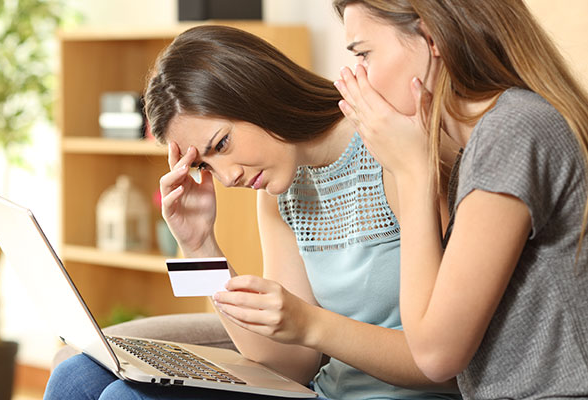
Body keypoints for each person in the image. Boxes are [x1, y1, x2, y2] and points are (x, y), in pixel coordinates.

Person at [44, 25, 461, 399]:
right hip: (321, 393)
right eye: (205, 165)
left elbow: (445, 362)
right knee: (75, 377)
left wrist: (310, 322)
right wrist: (199, 247)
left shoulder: (394, 152)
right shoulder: (281, 191)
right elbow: (289, 365)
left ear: (257, 92)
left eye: (221, 144)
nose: (226, 179)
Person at [332, 0, 588, 398]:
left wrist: (413, 172)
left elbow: (435, 355)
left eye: (364, 53)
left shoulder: (513, 129)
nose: (356, 76)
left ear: (431, 36)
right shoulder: (486, 138)